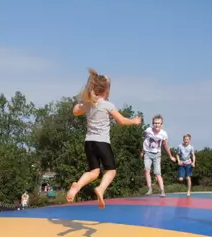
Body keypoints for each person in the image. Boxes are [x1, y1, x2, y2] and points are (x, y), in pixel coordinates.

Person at [67, 68, 142, 208]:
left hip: (89, 143)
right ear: (106, 90)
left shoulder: (89, 104)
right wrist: (134, 121)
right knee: (111, 171)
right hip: (102, 142)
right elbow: (121, 120)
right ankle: (101, 189)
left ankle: (77, 187)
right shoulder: (108, 105)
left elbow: (75, 111)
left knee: (94, 172)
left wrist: (82, 100)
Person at [141, 115, 176, 196]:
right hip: (147, 153)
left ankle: (162, 190)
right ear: (153, 123)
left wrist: (170, 156)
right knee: (147, 170)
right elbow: (145, 141)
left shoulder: (163, 134)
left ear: (161, 124)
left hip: (157, 154)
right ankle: (150, 189)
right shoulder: (148, 130)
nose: (157, 125)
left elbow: (166, 145)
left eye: (159, 123)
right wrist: (142, 151)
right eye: (155, 123)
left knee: (157, 173)